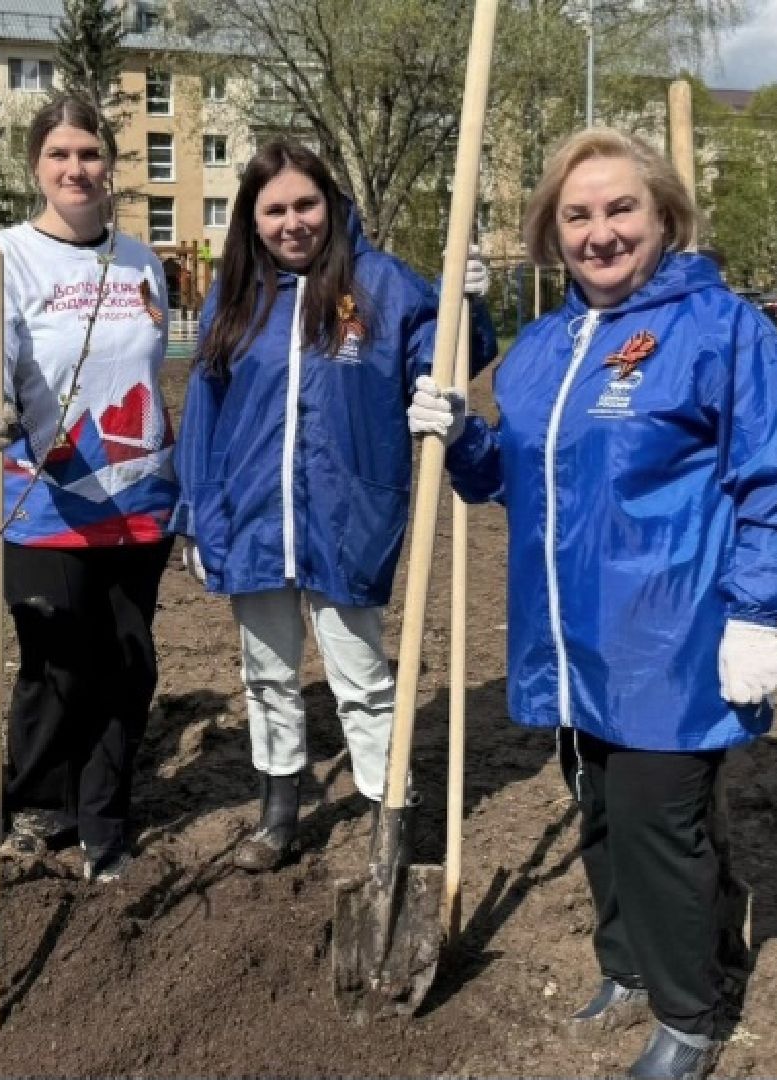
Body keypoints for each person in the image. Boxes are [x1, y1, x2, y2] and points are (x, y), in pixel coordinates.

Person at [423, 128, 777, 1080]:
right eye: (577, 215)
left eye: (619, 210)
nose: (599, 233)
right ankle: (630, 967)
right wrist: (463, 439)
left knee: (659, 823)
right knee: (598, 809)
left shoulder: (721, 330)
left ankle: (690, 1009)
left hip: (674, 635)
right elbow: (519, 479)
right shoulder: (540, 347)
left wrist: (755, 609)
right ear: (550, 232)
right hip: (569, 635)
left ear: (663, 216)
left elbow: (775, 485)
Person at [171, 139, 497, 872]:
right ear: (252, 220)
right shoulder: (234, 293)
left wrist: (468, 307)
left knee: (360, 680)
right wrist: (192, 511)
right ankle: (279, 811)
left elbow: (445, 366)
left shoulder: (382, 285)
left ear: (332, 203)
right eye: (275, 209)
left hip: (347, 515)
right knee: (266, 674)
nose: (293, 222)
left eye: (305, 204)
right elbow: (203, 406)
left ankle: (390, 813)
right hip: (250, 516)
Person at [0, 96, 177, 885]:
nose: (75, 168)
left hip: (140, 500)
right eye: (59, 155)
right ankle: (37, 810)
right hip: (43, 500)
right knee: (57, 665)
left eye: (88, 153)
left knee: (126, 665)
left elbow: (149, 370)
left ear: (108, 164)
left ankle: (103, 819)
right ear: (36, 167)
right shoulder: (1, 256)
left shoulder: (141, 262)